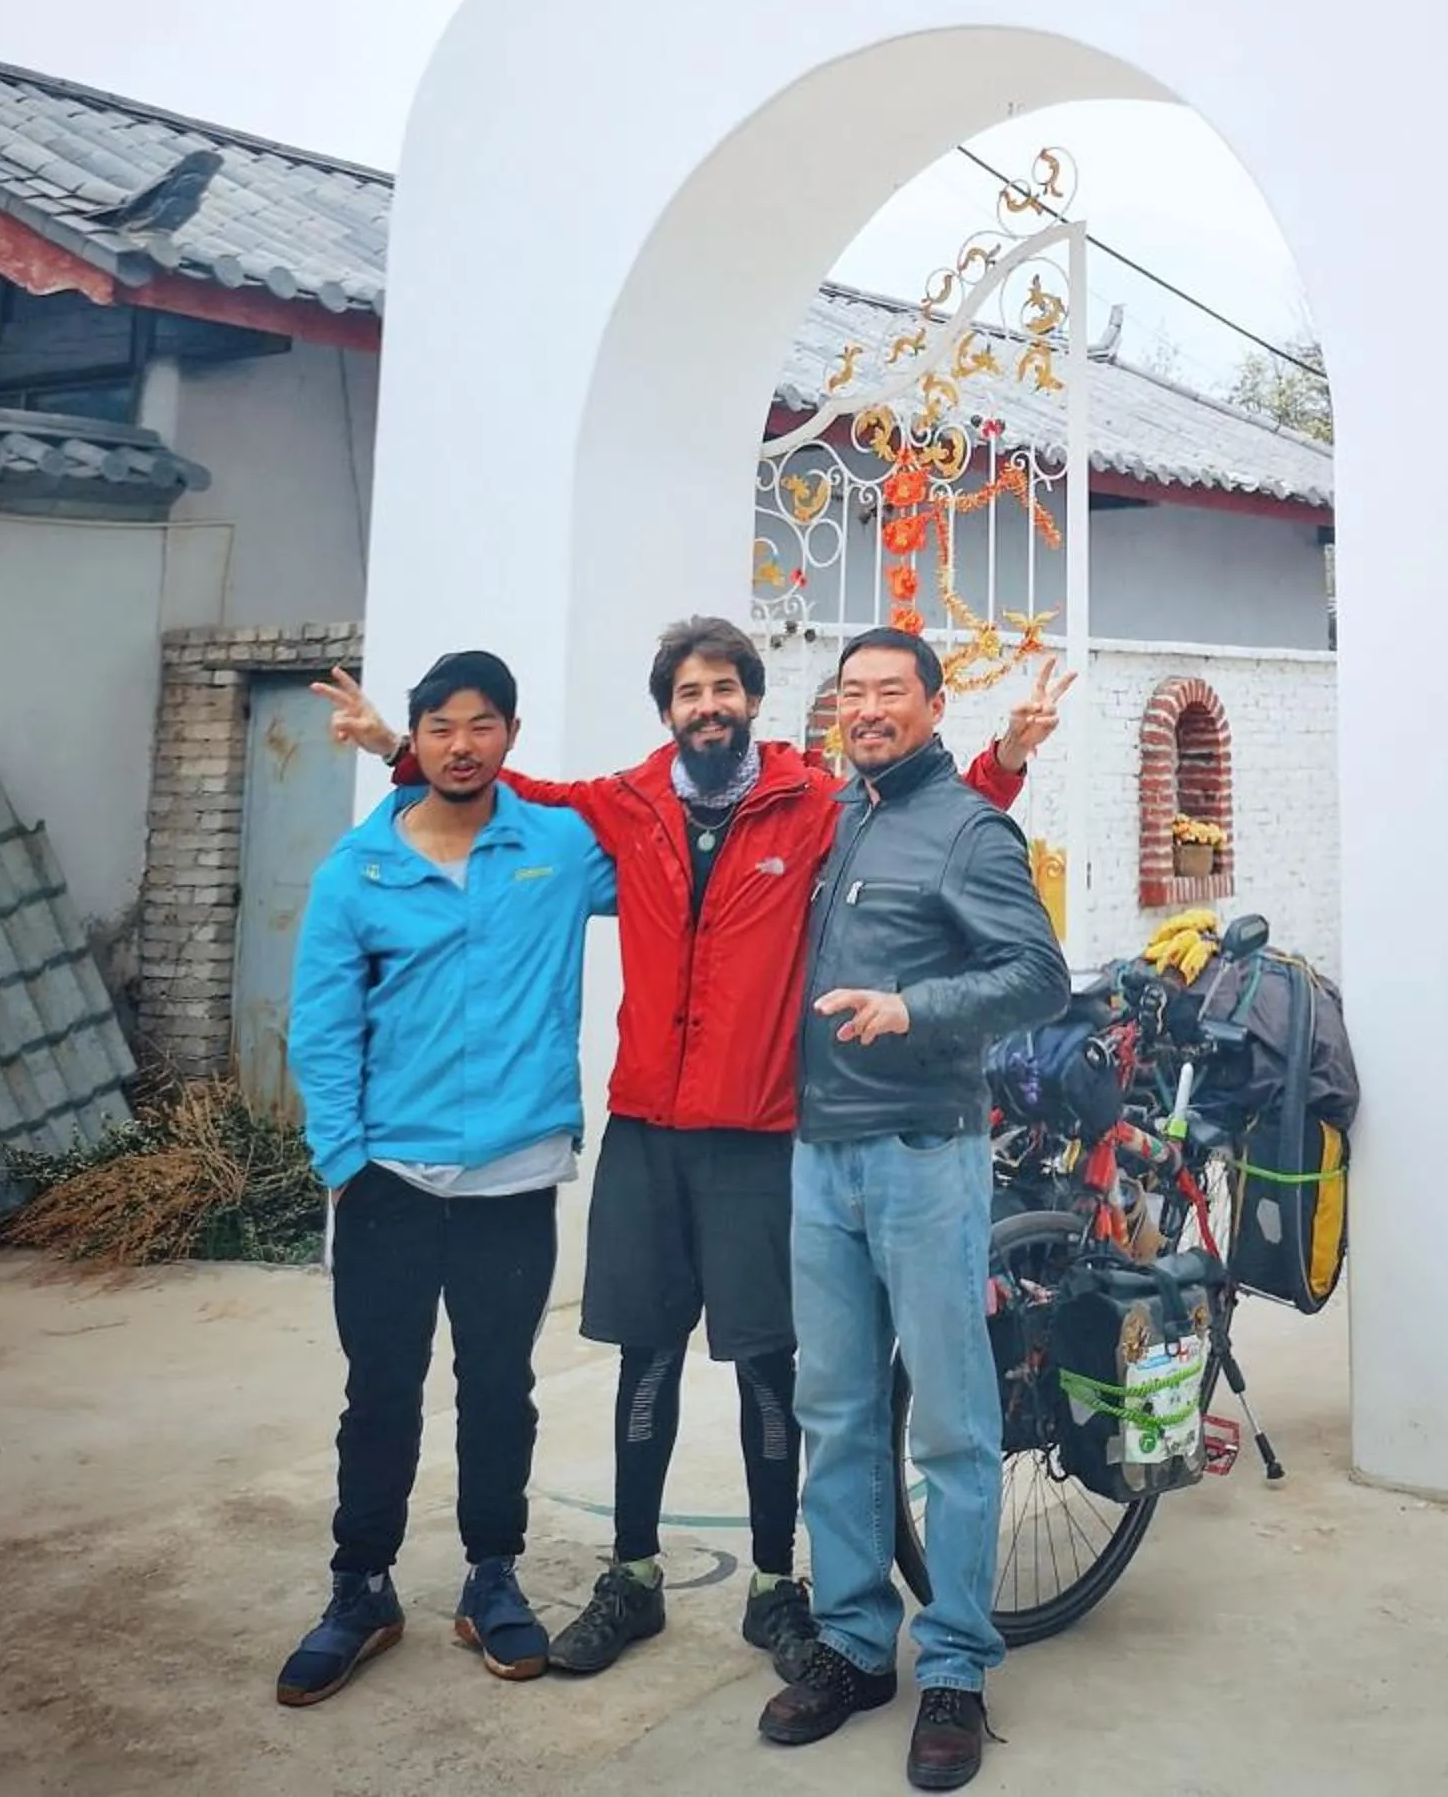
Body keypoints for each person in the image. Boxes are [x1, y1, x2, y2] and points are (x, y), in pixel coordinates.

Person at [315, 618, 1071, 1683]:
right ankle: (633, 1575)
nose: (706, 705)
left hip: (762, 1136)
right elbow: (502, 788)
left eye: (724, 688)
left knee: (777, 1373)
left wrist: (1006, 761)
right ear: (666, 708)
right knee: (647, 1359)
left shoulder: (812, 798)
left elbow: (932, 826)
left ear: (753, 703)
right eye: (687, 692)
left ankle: (777, 1588)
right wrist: (397, 745)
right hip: (649, 1133)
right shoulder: (624, 806)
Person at [760, 627, 1070, 1796]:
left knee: (948, 1425)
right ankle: (851, 1641)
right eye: (855, 694)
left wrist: (915, 1005)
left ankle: (953, 1665)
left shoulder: (969, 829)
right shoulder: (841, 813)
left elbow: (1040, 973)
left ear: (935, 706)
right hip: (819, 1158)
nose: (872, 709)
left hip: (924, 1159)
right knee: (836, 1411)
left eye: (894, 692)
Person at [277, 648, 615, 1709]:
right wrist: (345, 1162)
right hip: (389, 1180)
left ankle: (492, 1575)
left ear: (511, 736)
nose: (460, 744)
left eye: (481, 725)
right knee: (378, 1394)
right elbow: (322, 1029)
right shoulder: (357, 870)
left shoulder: (559, 849)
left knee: (499, 1391)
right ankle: (360, 1586)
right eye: (439, 727)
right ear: (414, 740)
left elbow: (672, 866)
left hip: (513, 1179)